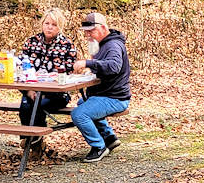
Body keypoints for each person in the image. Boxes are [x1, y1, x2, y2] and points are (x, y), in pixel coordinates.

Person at [71, 12, 130, 162]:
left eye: (91, 31)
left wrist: (88, 63)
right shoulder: (101, 44)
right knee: (82, 103)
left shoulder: (113, 45)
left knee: (79, 114)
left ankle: (98, 146)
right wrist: (90, 70)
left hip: (115, 97)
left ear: (103, 28)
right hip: (105, 94)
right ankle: (109, 138)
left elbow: (114, 66)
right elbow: (103, 67)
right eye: (86, 31)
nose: (87, 35)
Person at [18, 8, 77, 157]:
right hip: (31, 90)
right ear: (42, 24)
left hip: (57, 94)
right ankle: (34, 142)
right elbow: (19, 67)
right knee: (25, 105)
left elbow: (69, 72)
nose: (49, 27)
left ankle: (32, 139)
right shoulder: (31, 42)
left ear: (60, 27)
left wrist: (49, 85)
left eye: (54, 24)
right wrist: (29, 90)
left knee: (37, 105)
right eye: (47, 23)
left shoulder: (67, 45)